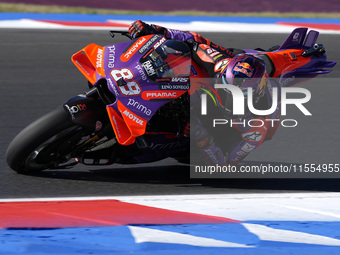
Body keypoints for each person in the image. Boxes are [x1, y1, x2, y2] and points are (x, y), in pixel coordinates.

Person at [128, 20, 281, 166]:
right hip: (212, 89)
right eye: (226, 91)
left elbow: (225, 163)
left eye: (237, 96)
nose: (229, 99)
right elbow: (193, 40)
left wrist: (201, 136)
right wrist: (154, 30)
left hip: (213, 139)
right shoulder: (218, 64)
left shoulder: (257, 126)